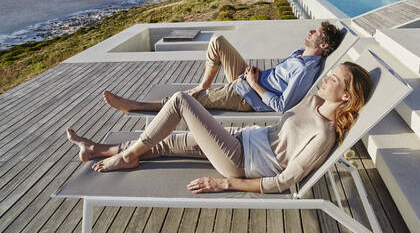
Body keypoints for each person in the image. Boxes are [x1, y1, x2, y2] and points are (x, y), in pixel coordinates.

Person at [67, 62, 373, 194]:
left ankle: (126, 155)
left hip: (240, 162)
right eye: (329, 73)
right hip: (242, 140)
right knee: (168, 143)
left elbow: (284, 181)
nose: (326, 79)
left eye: (333, 79)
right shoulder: (313, 102)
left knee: (181, 101)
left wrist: (225, 184)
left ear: (346, 96)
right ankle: (95, 150)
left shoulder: (324, 134)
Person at [104, 22, 345, 114]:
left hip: (247, 97)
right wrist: (255, 76)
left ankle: (135, 106)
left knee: (186, 99)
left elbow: (283, 106)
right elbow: (278, 78)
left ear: (322, 44)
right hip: (250, 80)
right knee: (218, 41)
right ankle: (204, 84)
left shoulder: (306, 71)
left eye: (316, 33)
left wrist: (253, 84)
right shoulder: (301, 53)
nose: (310, 32)